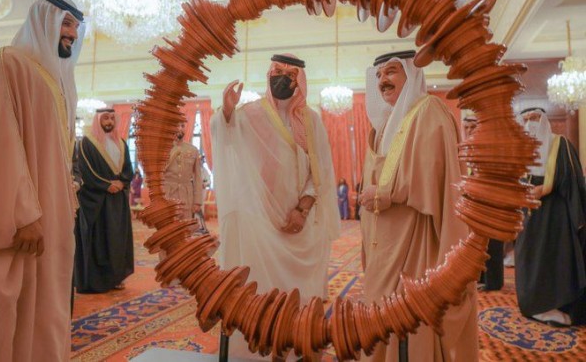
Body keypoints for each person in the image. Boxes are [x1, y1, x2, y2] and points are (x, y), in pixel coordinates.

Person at [211, 53, 340, 358]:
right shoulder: (249, 114)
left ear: (300, 81)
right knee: (258, 293)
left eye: (290, 74)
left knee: (299, 296)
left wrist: (302, 210)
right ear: (268, 75)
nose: (282, 78)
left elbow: (320, 173)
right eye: (277, 71)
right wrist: (226, 112)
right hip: (259, 225)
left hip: (300, 224)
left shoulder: (311, 121)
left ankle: (296, 347)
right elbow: (226, 138)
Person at [358, 50, 478, 361]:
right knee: (379, 316)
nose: (383, 80)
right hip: (382, 245)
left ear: (411, 75)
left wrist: (385, 194)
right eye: (379, 75)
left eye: (391, 72)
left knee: (408, 324)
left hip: (415, 243)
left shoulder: (429, 111)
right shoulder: (385, 125)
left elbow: (435, 175)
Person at [0, 0, 85, 361]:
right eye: (66, 23)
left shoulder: (56, 83)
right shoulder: (8, 64)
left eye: (76, 27)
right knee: (14, 309)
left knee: (48, 306)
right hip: (26, 222)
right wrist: (23, 212)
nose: (72, 33)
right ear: (44, 19)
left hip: (53, 218)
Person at [515, 107, 586, 326]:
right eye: (527, 119)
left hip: (555, 216)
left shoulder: (559, 144)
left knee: (553, 259)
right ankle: (533, 305)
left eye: (535, 117)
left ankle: (555, 307)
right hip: (529, 215)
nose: (531, 122)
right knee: (527, 257)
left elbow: (572, 177)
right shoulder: (521, 147)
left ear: (544, 119)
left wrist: (545, 188)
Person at [75, 108, 134, 293]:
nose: (109, 122)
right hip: (97, 200)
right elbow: (86, 170)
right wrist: (105, 185)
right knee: (100, 240)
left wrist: (122, 182)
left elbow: (128, 168)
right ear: (98, 120)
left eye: (112, 118)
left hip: (118, 200)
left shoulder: (121, 143)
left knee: (117, 239)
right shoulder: (87, 143)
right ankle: (99, 280)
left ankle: (116, 277)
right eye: (105, 118)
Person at [463, 114, 504, 291]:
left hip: (492, 203)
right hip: (474, 204)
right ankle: (480, 278)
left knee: (492, 244)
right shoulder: (466, 148)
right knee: (477, 243)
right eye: (466, 127)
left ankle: (493, 282)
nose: (469, 131)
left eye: (473, 127)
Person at [163, 121, 204, 231]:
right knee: (168, 230)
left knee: (186, 230)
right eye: (177, 125)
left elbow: (197, 177)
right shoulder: (163, 149)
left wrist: (197, 201)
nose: (180, 128)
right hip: (168, 195)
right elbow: (158, 173)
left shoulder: (193, 150)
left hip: (186, 196)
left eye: (182, 126)